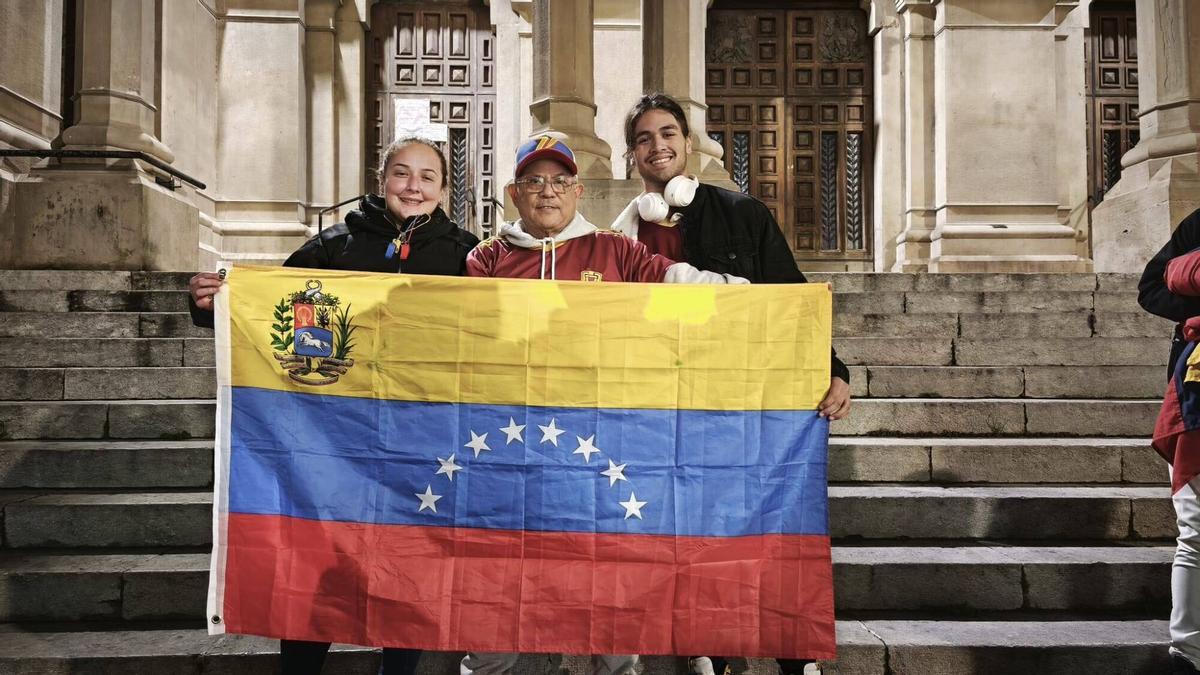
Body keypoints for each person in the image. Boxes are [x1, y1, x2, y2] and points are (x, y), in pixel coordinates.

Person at [188, 136, 479, 675]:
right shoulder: (333, 242)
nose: (413, 186)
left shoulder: (466, 251)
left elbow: (499, 326)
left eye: (427, 176)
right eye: (401, 173)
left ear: (443, 188)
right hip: (335, 441)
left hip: (419, 437)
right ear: (381, 178)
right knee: (319, 565)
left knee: (405, 570)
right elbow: (270, 307)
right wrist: (212, 303)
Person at [459, 135, 745, 675]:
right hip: (506, 445)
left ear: (579, 191)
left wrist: (752, 296)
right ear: (514, 194)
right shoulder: (487, 258)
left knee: (609, 584)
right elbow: (473, 341)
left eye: (560, 181)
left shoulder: (614, 250)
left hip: (597, 443)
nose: (548, 192)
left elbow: (677, 282)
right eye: (534, 182)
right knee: (495, 588)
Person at [612, 93, 849, 675]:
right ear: (632, 156)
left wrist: (833, 370)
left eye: (668, 133)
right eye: (644, 138)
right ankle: (709, 645)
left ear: (687, 144)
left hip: (743, 398)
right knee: (691, 527)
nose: (658, 146)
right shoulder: (620, 235)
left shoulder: (743, 213)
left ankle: (796, 658)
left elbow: (790, 298)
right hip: (664, 402)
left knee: (762, 523)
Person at [1140, 208, 1200, 675]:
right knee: (1195, 530)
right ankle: (1187, 652)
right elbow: (1151, 288)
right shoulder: (1197, 224)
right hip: (1194, 395)